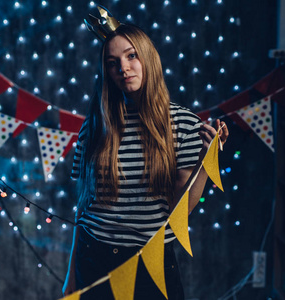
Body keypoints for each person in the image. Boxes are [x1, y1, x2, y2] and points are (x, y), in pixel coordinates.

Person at [63, 12, 229, 300]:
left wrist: (206, 158)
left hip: (150, 264)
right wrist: (70, 277)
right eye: (112, 63)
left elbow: (182, 209)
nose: (123, 69)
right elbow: (83, 207)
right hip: (93, 260)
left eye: (131, 56)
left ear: (148, 58)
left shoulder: (184, 124)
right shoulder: (94, 127)